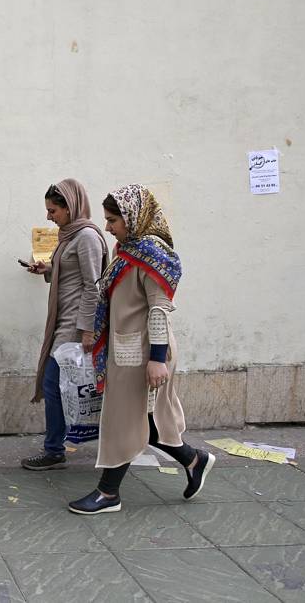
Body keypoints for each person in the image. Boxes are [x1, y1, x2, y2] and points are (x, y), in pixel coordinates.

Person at [68, 184, 215, 514]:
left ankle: (108, 493)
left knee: (123, 420)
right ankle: (194, 460)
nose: (107, 228)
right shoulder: (128, 250)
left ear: (133, 218)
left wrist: (157, 360)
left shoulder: (150, 255)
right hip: (129, 351)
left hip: (145, 354)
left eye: (113, 220)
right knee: (143, 421)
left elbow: (159, 308)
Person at [21, 179, 108, 471]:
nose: (49, 216)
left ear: (70, 207)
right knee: (56, 384)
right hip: (62, 320)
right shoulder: (69, 235)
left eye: (53, 210)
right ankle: (57, 447)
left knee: (52, 382)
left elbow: (93, 285)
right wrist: (48, 269)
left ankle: (54, 450)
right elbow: (70, 271)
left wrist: (87, 330)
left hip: (74, 325)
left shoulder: (86, 237)